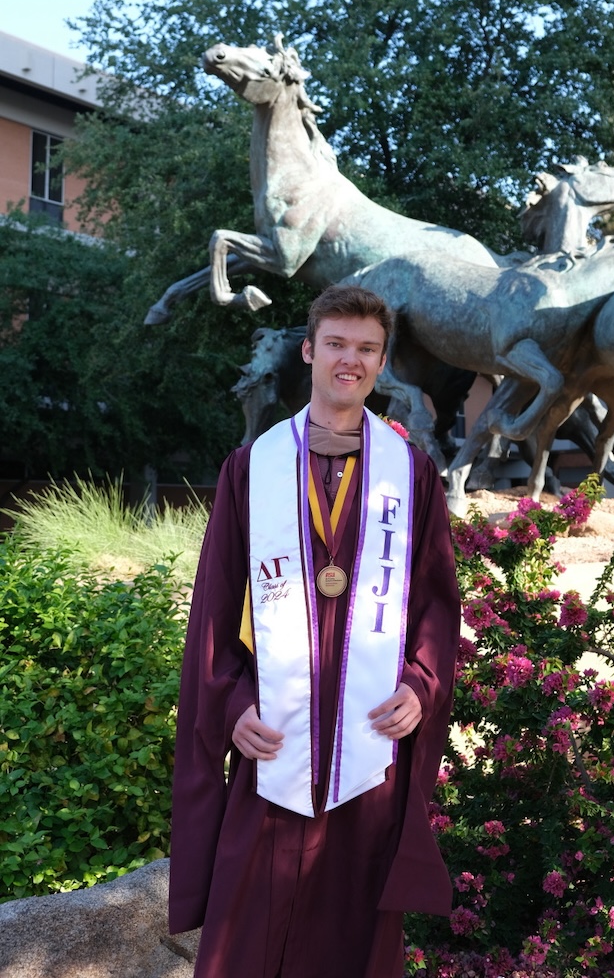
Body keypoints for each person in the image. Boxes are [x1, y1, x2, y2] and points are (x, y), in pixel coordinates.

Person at [169, 285, 460, 978]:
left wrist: (421, 684)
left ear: (382, 362)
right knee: (246, 940)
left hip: (367, 752)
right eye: (336, 344)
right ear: (309, 351)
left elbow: (436, 603)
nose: (349, 361)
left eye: (366, 349)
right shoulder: (252, 467)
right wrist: (232, 705)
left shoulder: (410, 474)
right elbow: (214, 608)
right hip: (275, 744)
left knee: (355, 942)